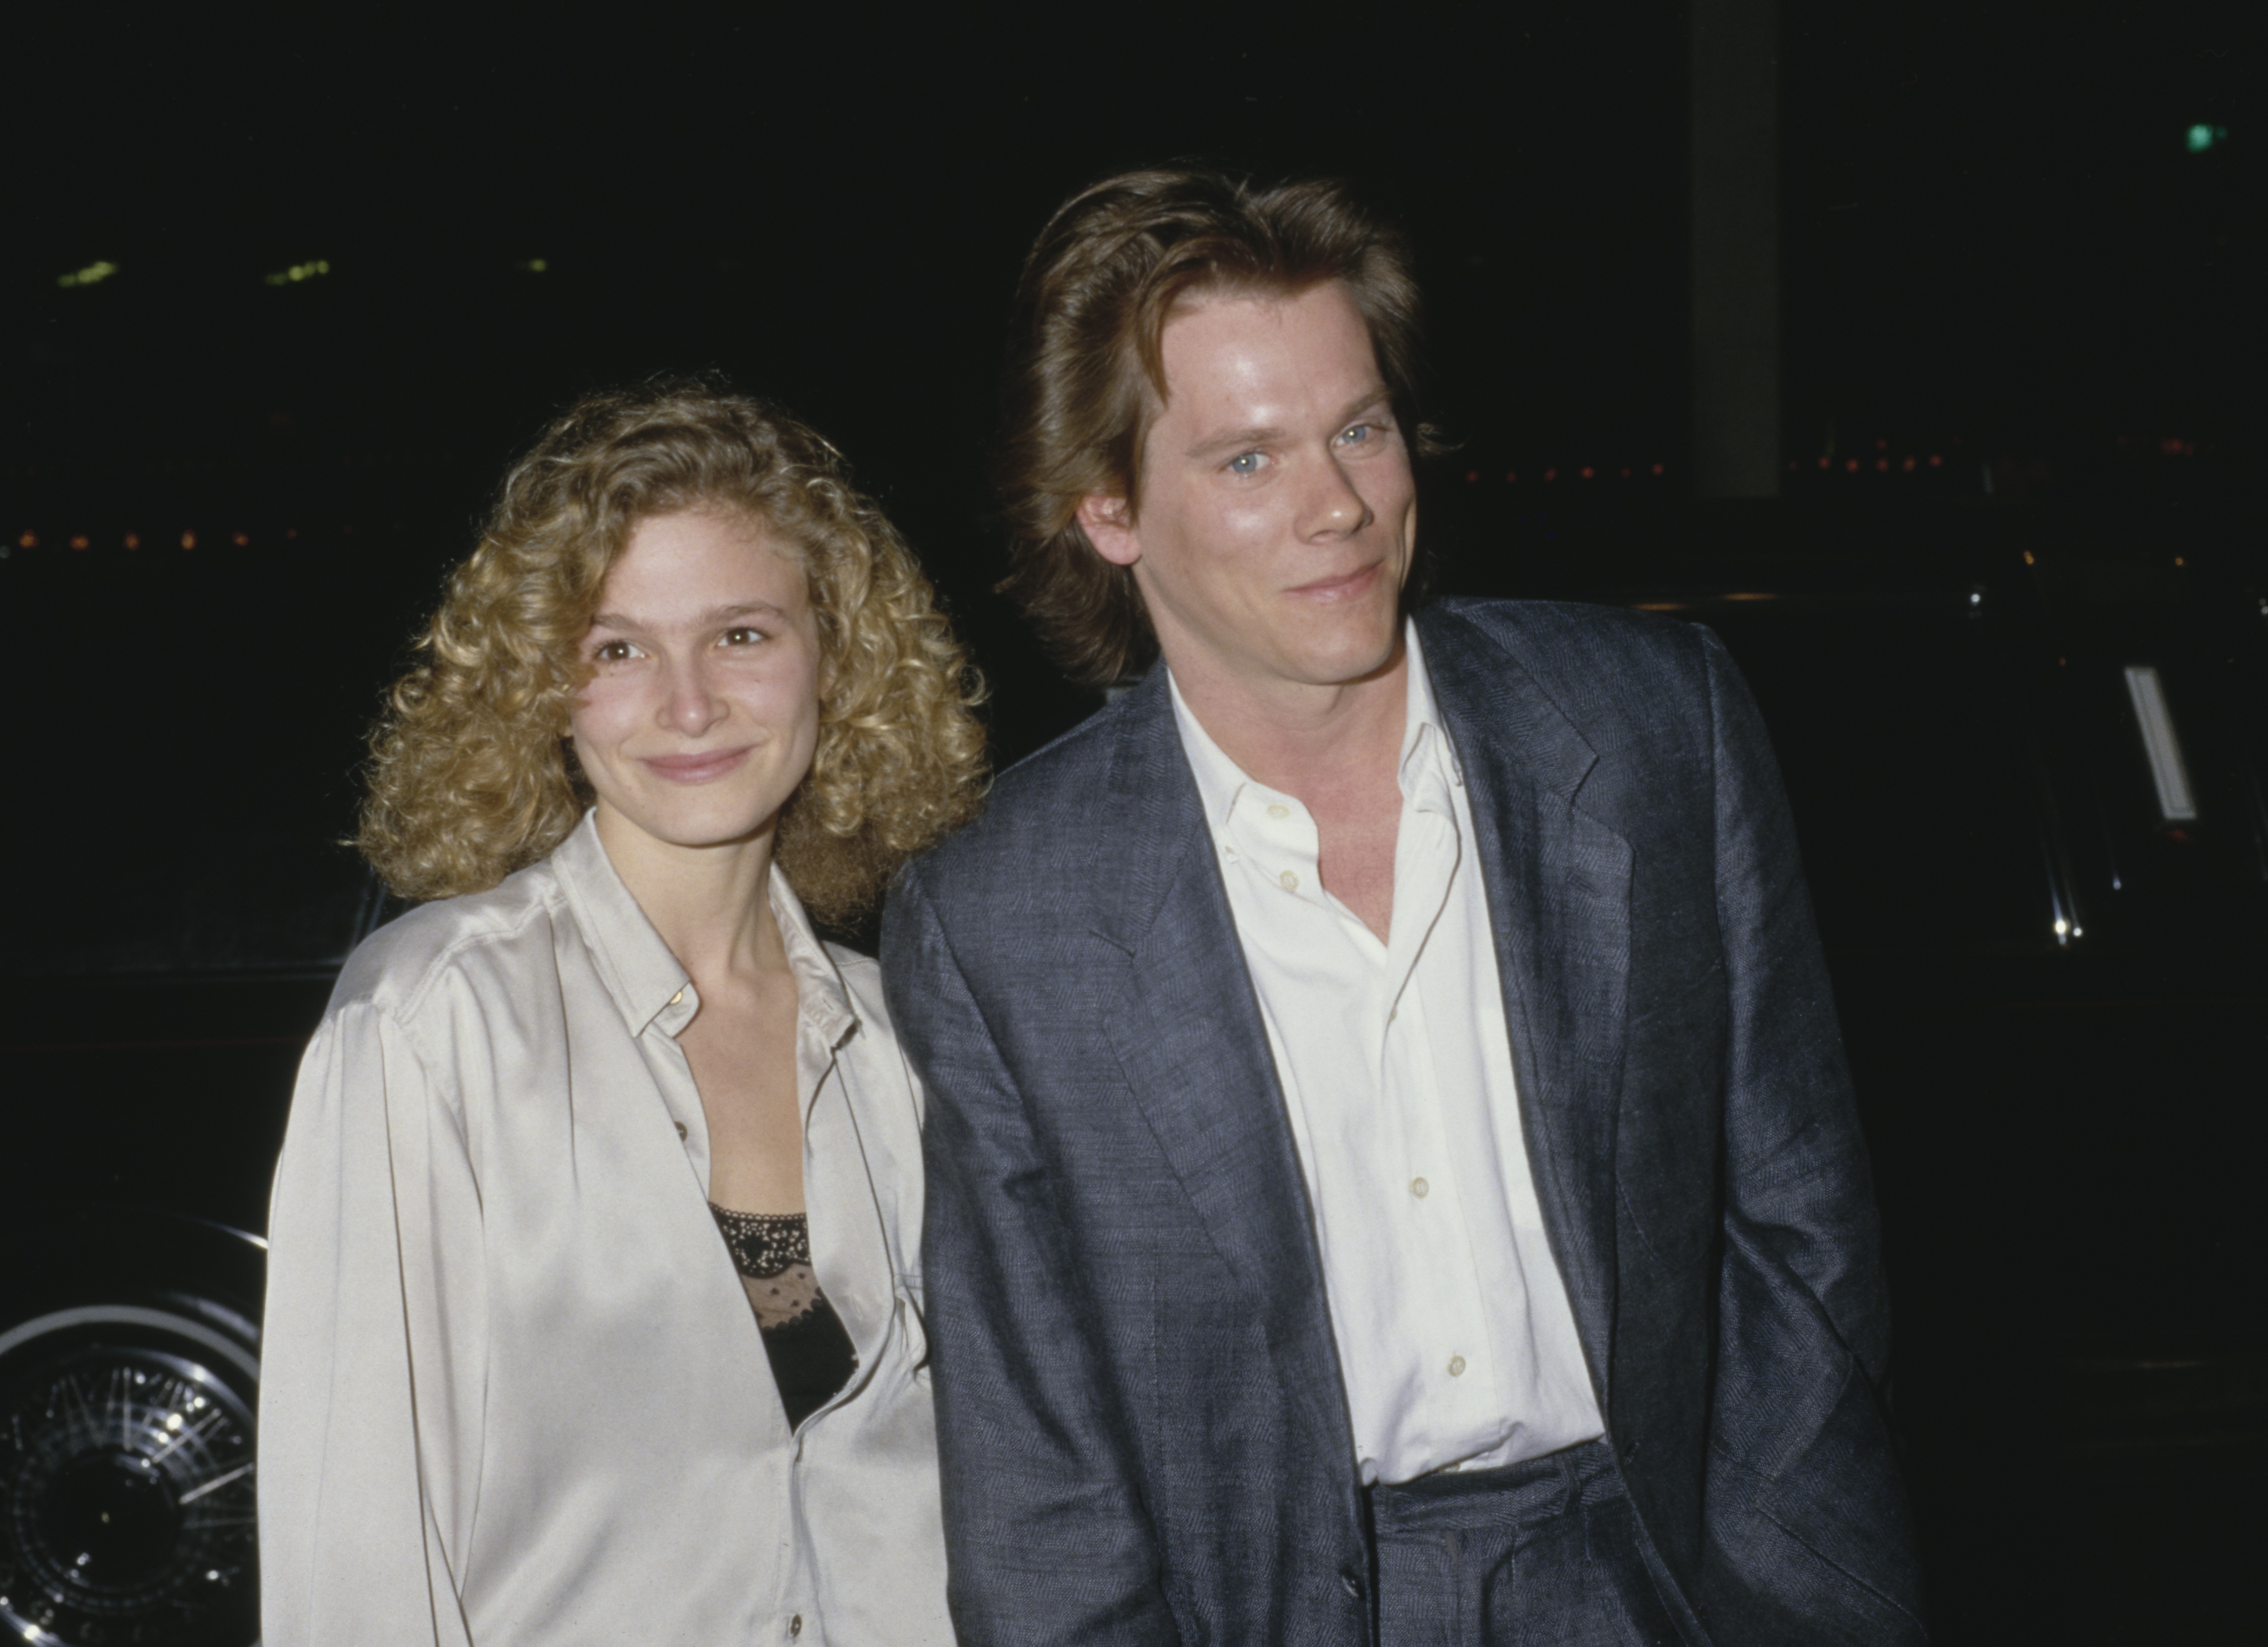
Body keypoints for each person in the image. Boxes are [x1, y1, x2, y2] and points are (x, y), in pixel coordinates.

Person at [880, 168, 1925, 1645]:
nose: (1339, 505)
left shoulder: (1645, 728)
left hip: (1679, 1576)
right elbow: (1040, 1474)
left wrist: (1786, 1575)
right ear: (1106, 510)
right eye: (1247, 461)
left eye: (1358, 427)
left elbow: (1804, 1220)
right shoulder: (1003, 911)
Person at [259, 379, 984, 1646]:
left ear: (837, 659)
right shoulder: (435, 1022)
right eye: (617, 647)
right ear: (546, 689)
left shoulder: (905, 1037)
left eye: (742, 634)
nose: (688, 702)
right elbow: (355, 1545)